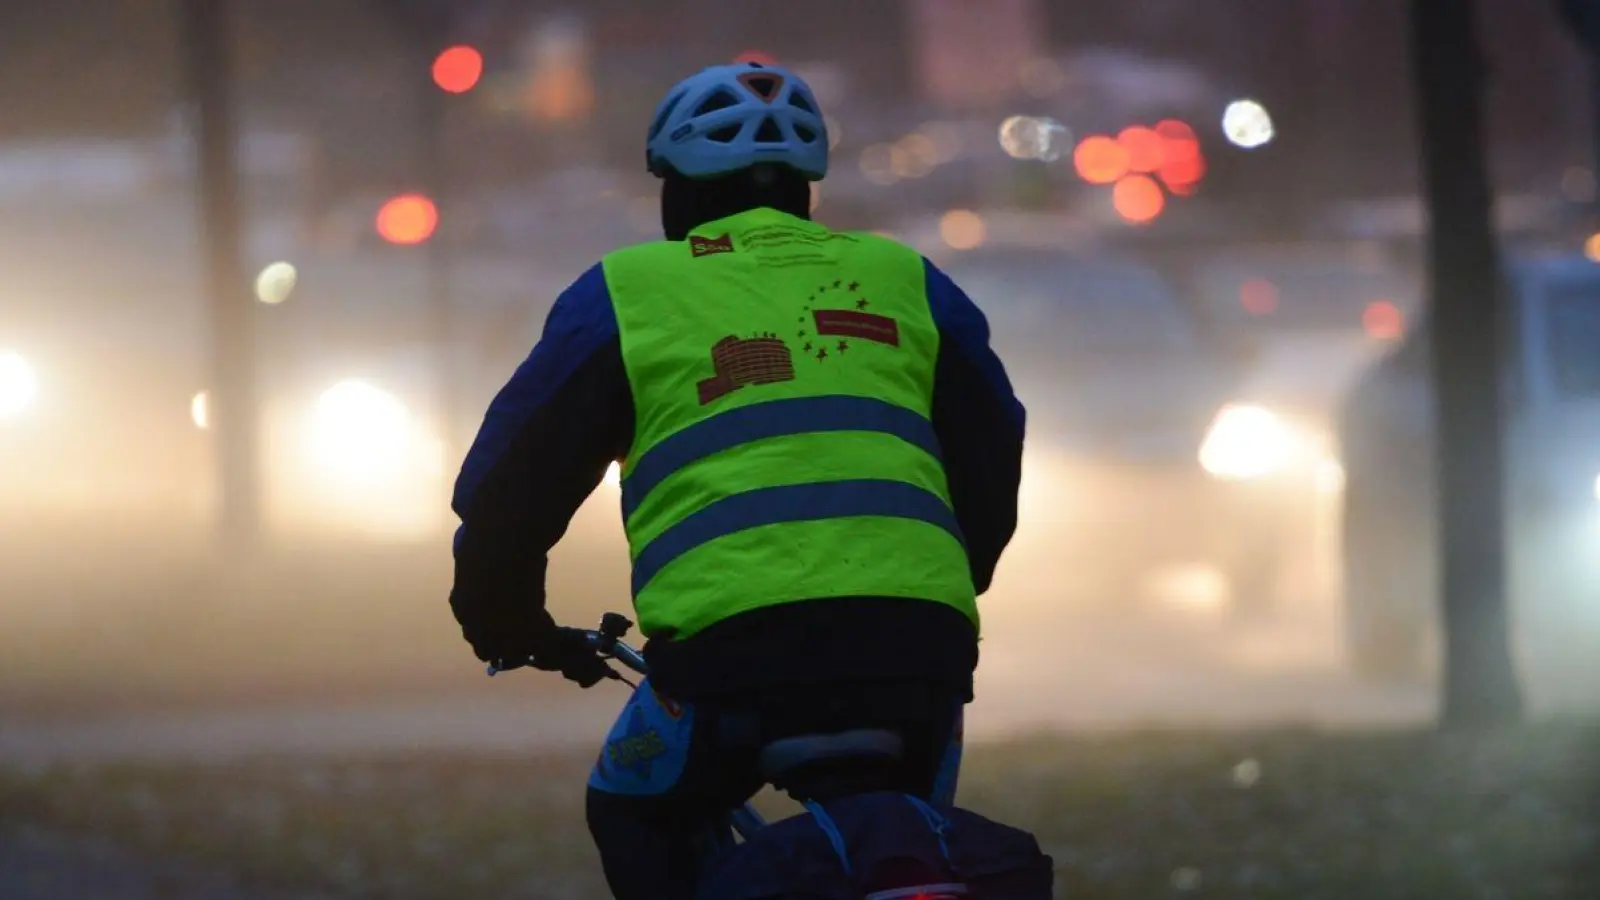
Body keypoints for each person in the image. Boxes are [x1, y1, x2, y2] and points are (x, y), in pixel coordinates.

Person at [448, 61, 1025, 900]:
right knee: (909, 841)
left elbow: (512, 485)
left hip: (732, 660)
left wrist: (504, 620)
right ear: (806, 190)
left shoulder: (627, 294)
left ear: (673, 188)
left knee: (633, 809)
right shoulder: (907, 281)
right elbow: (992, 439)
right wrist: (947, 581)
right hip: (918, 652)